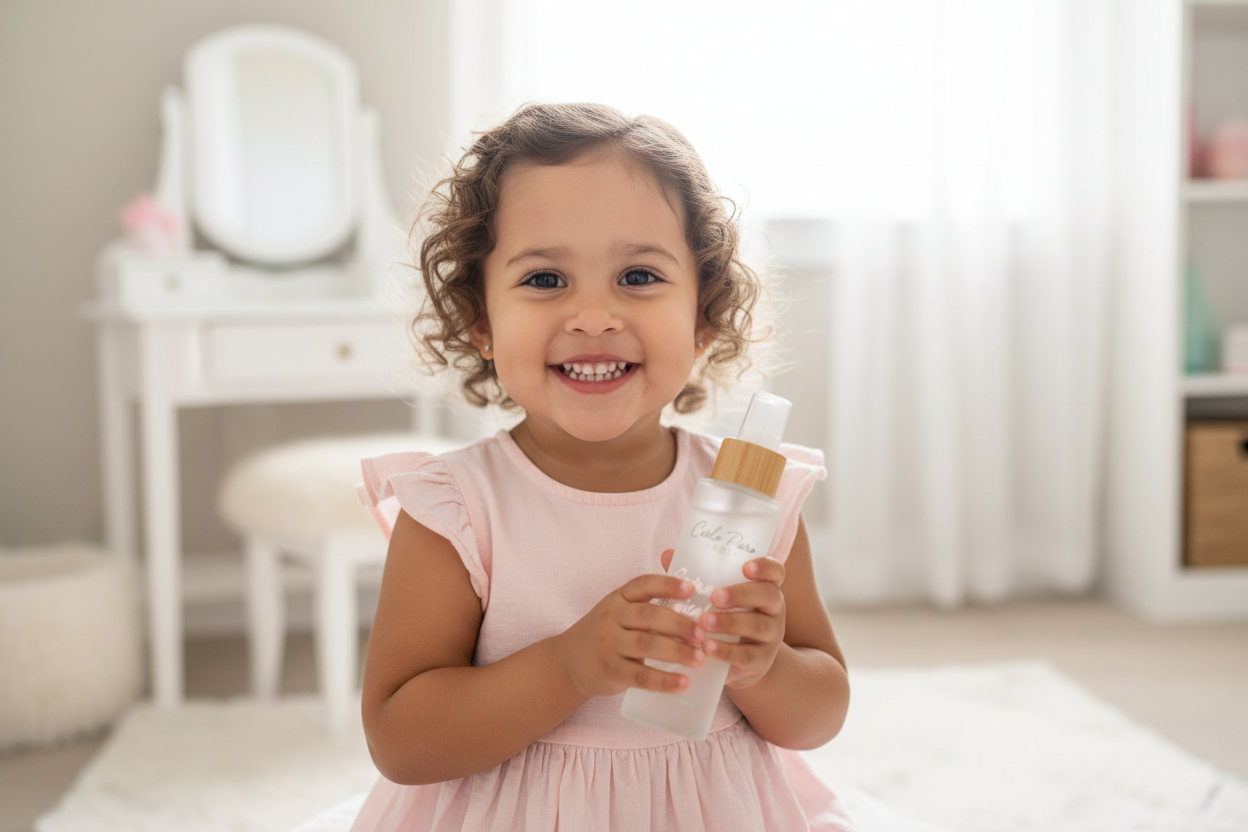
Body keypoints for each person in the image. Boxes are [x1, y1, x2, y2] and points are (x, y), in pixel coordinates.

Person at [350, 102, 856, 831]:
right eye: (545, 280)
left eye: (639, 275)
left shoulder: (747, 497)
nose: (593, 315)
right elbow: (401, 741)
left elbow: (820, 716)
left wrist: (764, 666)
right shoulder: (456, 510)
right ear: (481, 321)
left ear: (704, 317)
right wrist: (568, 667)